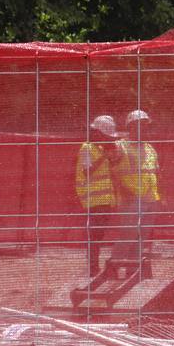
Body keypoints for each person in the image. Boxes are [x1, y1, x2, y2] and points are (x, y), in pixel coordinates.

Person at [116, 109, 161, 276]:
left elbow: (156, 173)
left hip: (150, 199)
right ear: (131, 127)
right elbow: (113, 172)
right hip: (131, 198)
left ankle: (132, 270)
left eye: (145, 126)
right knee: (127, 236)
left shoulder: (150, 148)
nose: (144, 129)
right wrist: (124, 191)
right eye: (139, 125)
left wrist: (159, 197)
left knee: (141, 238)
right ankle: (113, 269)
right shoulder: (121, 146)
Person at [75, 115, 121, 275]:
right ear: (97, 133)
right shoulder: (87, 147)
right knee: (94, 235)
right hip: (93, 200)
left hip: (104, 200)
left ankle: (94, 267)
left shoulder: (100, 149)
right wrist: (104, 157)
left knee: (99, 234)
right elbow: (87, 171)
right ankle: (92, 268)